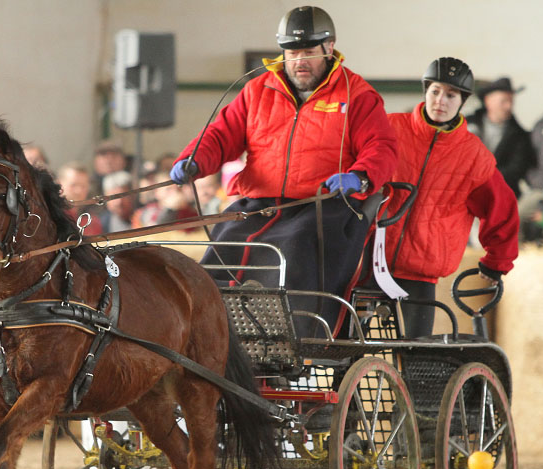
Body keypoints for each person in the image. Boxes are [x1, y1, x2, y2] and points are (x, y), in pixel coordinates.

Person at [169, 5, 397, 337]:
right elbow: (221, 134)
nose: (299, 60)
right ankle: (209, 333)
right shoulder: (257, 91)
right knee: (225, 241)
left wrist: (360, 176)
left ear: (329, 48)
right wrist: (195, 159)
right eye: (291, 52)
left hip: (324, 205)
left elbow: (382, 147)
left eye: (308, 51)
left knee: (294, 245)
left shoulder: (357, 94)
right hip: (260, 204)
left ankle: (291, 334)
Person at [382, 57, 519, 338]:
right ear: (425, 91)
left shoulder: (474, 156)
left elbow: (502, 208)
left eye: (451, 94)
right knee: (345, 352)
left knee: (413, 358)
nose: (440, 101)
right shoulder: (390, 129)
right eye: (435, 91)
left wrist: (496, 263)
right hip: (370, 263)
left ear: (463, 101)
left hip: (419, 273)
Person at [465, 77, 534, 197]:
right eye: (503, 101)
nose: (508, 106)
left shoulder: (519, 136)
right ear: (488, 101)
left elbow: (515, 170)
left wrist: (485, 177)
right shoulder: (466, 124)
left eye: (511, 101)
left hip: (499, 194)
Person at [56, 161, 102, 235]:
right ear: (59, 185)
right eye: (73, 185)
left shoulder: (92, 221)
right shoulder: (50, 217)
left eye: (83, 186)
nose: (79, 191)